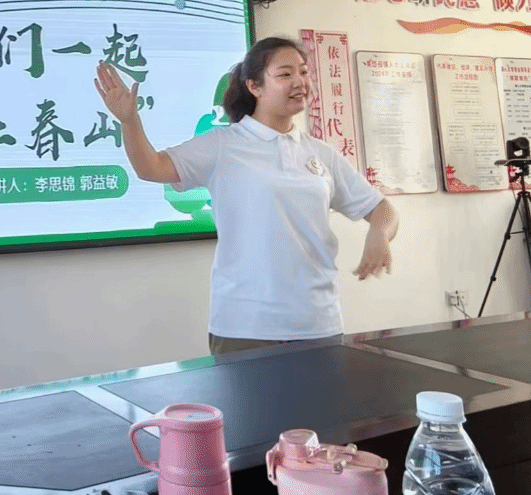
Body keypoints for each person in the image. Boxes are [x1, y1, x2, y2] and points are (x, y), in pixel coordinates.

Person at [94, 36, 399, 356]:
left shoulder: (319, 153)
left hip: (317, 322)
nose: (300, 82)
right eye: (285, 74)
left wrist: (379, 233)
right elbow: (151, 168)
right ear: (254, 86)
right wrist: (130, 121)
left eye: (303, 72)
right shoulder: (223, 144)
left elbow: (381, 208)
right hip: (245, 325)